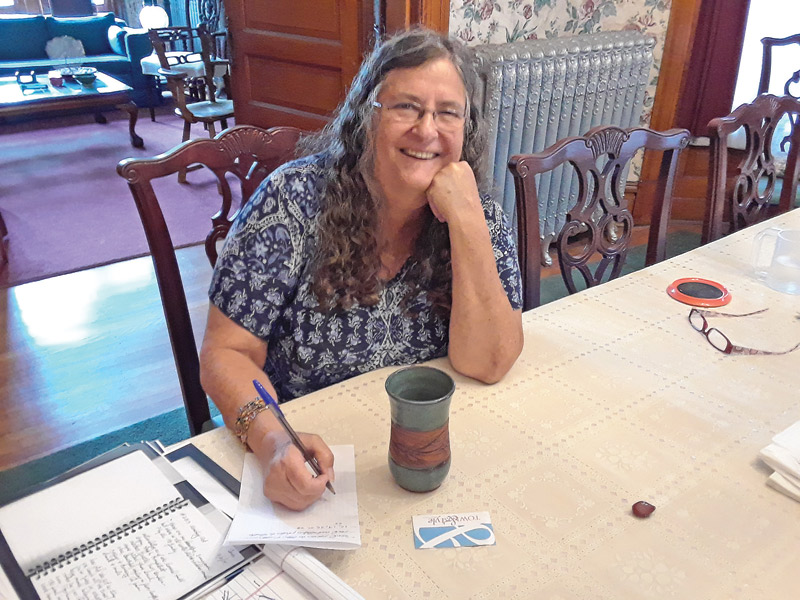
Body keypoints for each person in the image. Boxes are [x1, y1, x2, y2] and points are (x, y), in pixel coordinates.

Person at [199, 27, 524, 510]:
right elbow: (225, 353)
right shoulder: (291, 201)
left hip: (424, 458)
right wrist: (274, 443)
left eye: (448, 113)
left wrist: (467, 223)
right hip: (318, 458)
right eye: (406, 107)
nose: (427, 130)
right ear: (365, 116)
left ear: (467, 128)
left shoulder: (477, 214)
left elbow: (490, 362)